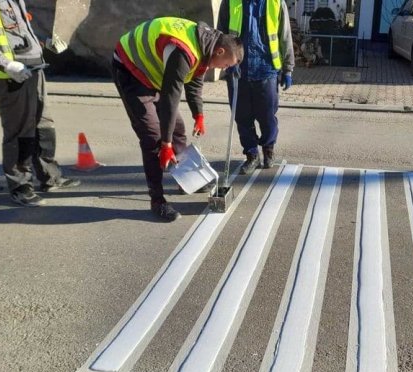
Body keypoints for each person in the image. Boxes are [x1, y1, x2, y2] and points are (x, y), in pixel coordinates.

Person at [112, 18, 243, 222]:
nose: (223, 69)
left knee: (178, 128)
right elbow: (170, 97)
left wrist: (198, 114)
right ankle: (157, 201)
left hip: (153, 73)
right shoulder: (184, 51)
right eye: (226, 65)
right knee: (152, 138)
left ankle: (185, 179)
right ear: (220, 52)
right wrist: (166, 144)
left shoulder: (206, 45)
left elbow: (194, 81)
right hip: (131, 70)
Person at [0, 0, 80, 207]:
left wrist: (43, 43)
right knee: (20, 131)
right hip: (11, 73)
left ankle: (49, 176)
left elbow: (18, 33)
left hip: (34, 65)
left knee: (44, 126)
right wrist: (6, 65)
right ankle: (20, 186)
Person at [218, 0, 295, 175]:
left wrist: (288, 68)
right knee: (242, 118)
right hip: (238, 70)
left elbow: (285, 35)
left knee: (267, 116)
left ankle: (268, 149)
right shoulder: (230, 2)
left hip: (266, 69)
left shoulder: (275, 3)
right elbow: (220, 35)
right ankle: (252, 154)